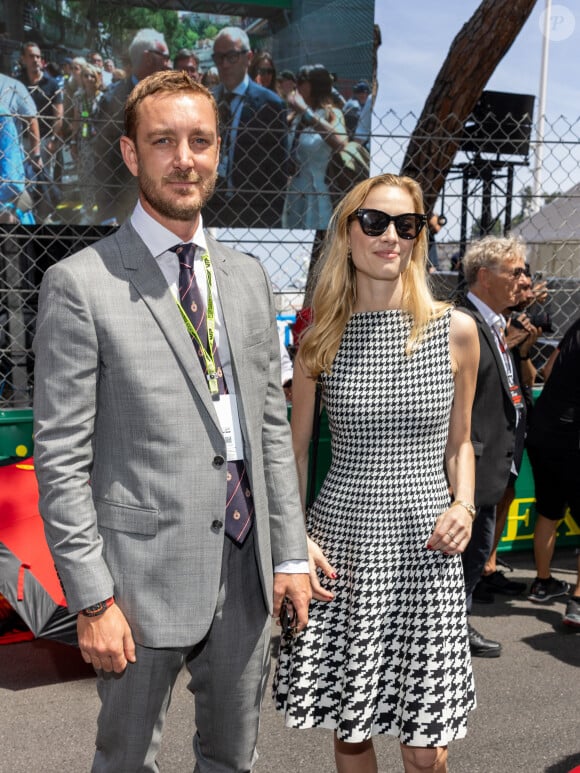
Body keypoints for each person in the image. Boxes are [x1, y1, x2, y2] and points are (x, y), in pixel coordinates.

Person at [33, 70, 310, 772]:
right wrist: (93, 599)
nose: (184, 158)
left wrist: (289, 553)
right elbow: (61, 458)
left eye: (200, 141)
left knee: (232, 757)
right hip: (137, 580)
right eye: (164, 141)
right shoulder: (81, 284)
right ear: (131, 154)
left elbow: (268, 428)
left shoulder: (247, 277)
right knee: (126, 760)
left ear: (220, 151)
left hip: (246, 570)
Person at [274, 173, 479, 773]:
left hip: (425, 545)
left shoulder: (456, 331)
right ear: (347, 232)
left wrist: (463, 504)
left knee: (423, 748)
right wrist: (297, 538)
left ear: (418, 238)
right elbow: (297, 448)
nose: (391, 236)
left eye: (406, 225)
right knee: (353, 727)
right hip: (345, 543)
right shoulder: (319, 338)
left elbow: (461, 441)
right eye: (374, 222)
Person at [458, 236, 528, 657]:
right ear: (485, 277)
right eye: (515, 271)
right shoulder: (460, 321)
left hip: (493, 460)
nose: (523, 280)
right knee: (467, 552)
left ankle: (454, 626)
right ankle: (451, 631)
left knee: (478, 548)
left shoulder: (499, 324)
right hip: (470, 461)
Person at [205, 26, 289, 228]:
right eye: (219, 57)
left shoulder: (270, 104)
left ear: (248, 58)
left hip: (252, 209)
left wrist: (270, 220)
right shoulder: (207, 100)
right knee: (206, 260)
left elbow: (279, 170)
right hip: (209, 206)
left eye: (232, 56)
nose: (224, 64)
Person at [526, 316, 579, 604]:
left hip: (544, 431)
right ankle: (579, 601)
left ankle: (542, 582)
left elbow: (547, 368)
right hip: (572, 436)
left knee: (549, 512)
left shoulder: (576, 326)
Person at [93, 28, 171, 224]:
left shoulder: (170, 98)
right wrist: (108, 211)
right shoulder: (112, 100)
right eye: (165, 57)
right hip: (120, 208)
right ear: (148, 59)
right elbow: (102, 159)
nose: (168, 65)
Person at [282, 64, 347, 230]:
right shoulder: (294, 116)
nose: (297, 85)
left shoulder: (331, 114)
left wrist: (307, 113)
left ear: (316, 85)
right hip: (293, 192)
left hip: (317, 191)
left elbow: (340, 143)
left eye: (302, 80)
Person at [18, 42, 63, 175]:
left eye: (38, 57)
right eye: (31, 56)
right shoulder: (18, 82)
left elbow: (58, 115)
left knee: (44, 180)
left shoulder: (52, 84)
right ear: (23, 59)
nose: (36, 60)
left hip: (45, 139)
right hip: (22, 139)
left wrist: (54, 140)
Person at [70, 63, 104, 223]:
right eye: (85, 75)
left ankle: (102, 207)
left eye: (92, 75)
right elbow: (76, 120)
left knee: (101, 175)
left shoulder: (103, 95)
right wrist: (73, 142)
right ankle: (87, 208)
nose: (89, 79)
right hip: (85, 141)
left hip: (101, 142)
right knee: (85, 175)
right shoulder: (78, 96)